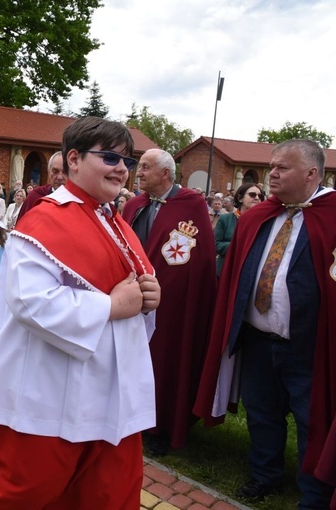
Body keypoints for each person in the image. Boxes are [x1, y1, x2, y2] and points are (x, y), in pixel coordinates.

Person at [0, 117, 160, 509]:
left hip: (110, 390)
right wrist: (113, 306)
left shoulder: (113, 220)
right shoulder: (46, 218)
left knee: (101, 493)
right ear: (75, 159)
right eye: (111, 157)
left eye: (127, 161)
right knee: (21, 492)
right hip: (52, 390)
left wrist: (148, 294)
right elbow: (31, 302)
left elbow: (131, 282)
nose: (121, 168)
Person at [195, 139, 336, 508]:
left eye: (282, 168)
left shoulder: (333, 215)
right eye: (272, 166)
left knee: (312, 420)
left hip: (310, 346)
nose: (271, 174)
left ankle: (314, 492)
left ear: (311, 173)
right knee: (261, 414)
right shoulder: (260, 216)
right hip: (258, 340)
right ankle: (265, 475)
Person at [121, 148, 216, 456]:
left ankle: (161, 427)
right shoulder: (134, 205)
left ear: (166, 173)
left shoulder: (192, 204)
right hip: (130, 298)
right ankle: (129, 415)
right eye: (140, 167)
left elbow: (197, 261)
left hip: (173, 304)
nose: (139, 172)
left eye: (146, 167)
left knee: (165, 363)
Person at [215, 183, 262, 277]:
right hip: (226, 271)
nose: (257, 198)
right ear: (240, 198)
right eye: (252, 195)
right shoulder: (226, 219)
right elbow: (216, 245)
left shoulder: (263, 222)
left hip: (249, 273)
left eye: (260, 196)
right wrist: (239, 244)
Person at [16, 151, 65, 223]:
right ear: (49, 172)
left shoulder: (77, 200)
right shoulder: (35, 197)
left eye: (65, 172)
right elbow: (21, 228)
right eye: (55, 171)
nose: (60, 177)